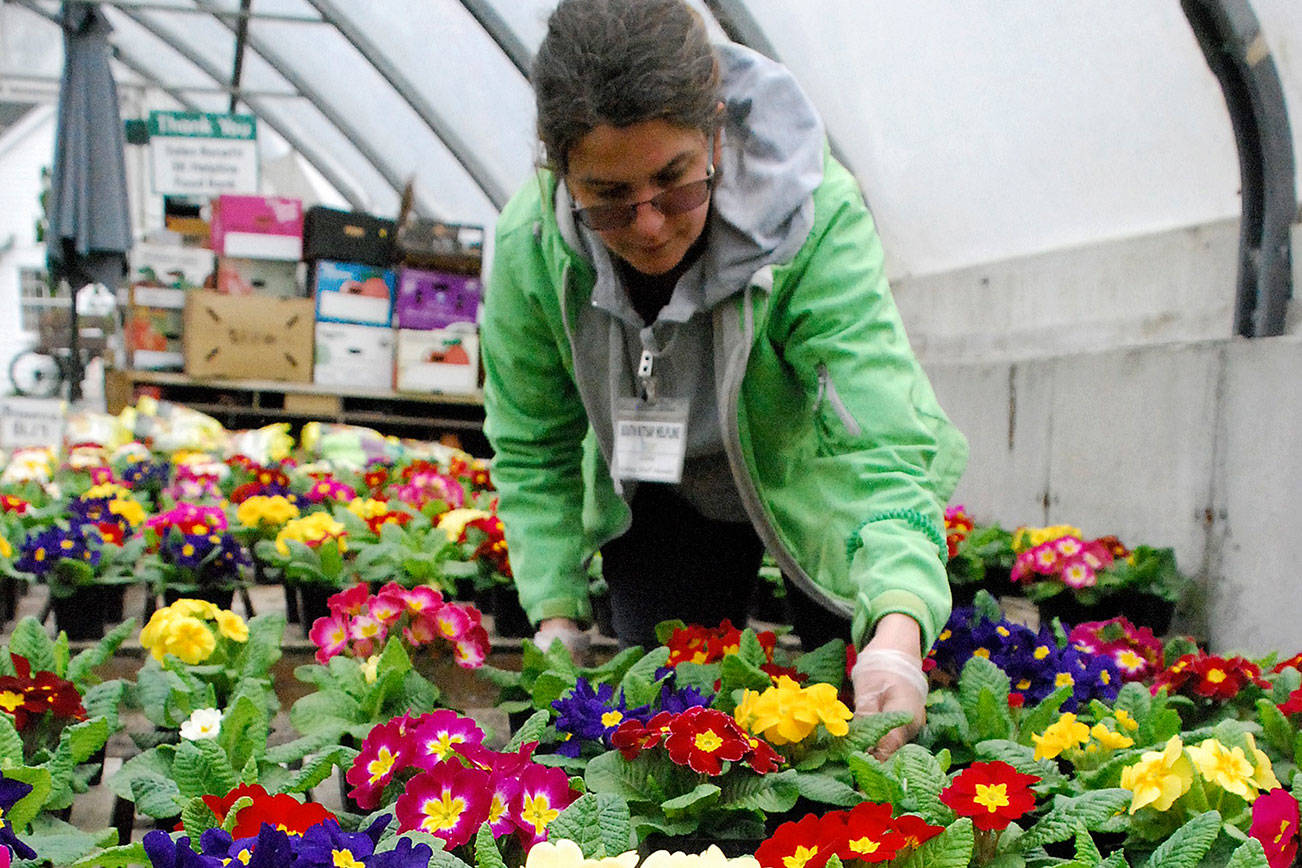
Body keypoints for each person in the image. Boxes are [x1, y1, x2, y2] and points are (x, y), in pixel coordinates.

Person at [480, 0, 967, 759]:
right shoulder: (532, 247)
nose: (649, 224)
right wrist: (553, 613)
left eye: (675, 181)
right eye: (608, 197)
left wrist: (898, 631)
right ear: (559, 170)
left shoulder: (812, 218)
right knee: (660, 729)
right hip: (662, 489)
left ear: (714, 130)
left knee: (851, 715)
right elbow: (533, 444)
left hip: (811, 480)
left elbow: (878, 442)